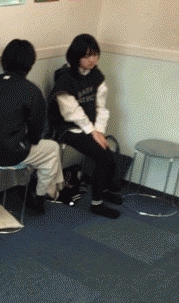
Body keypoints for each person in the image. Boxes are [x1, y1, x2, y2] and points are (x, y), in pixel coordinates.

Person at [0, 39, 64, 213]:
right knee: (52, 149)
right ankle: (40, 197)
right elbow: (36, 134)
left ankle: (34, 187)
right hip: (7, 153)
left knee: (22, 141)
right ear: (30, 64)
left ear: (4, 60)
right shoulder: (31, 91)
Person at [48, 34, 123, 219]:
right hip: (68, 128)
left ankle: (103, 190)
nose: (92, 60)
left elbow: (101, 108)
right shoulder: (65, 79)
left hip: (89, 127)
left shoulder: (97, 76)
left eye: (95, 54)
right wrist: (92, 132)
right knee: (103, 157)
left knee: (109, 155)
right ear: (76, 57)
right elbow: (71, 113)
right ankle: (96, 204)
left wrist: (99, 131)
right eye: (87, 56)